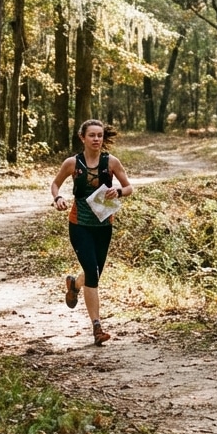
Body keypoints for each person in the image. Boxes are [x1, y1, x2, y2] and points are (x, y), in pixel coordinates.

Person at [50, 119, 132, 345]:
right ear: (82, 138)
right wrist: (58, 198)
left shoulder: (111, 162)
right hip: (79, 225)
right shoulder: (72, 163)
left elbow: (129, 187)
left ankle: (75, 285)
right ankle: (97, 327)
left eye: (100, 135)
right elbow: (55, 184)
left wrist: (118, 191)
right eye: (92, 135)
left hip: (104, 226)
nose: (96, 139)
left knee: (93, 273)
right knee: (93, 274)